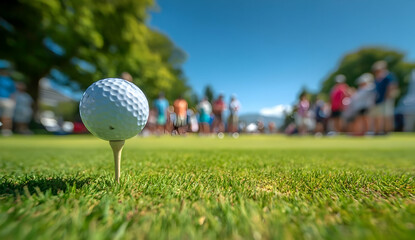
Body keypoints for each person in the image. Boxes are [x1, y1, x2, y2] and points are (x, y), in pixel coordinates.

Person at [371, 61, 399, 134]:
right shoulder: (377, 79)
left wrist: (388, 96)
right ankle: (378, 131)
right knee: (378, 116)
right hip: (378, 100)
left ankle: (387, 131)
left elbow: (392, 85)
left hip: (386, 99)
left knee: (387, 116)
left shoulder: (388, 76)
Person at [0, 61, 16, 136]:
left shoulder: (10, 80)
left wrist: (13, 100)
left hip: (7, 100)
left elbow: (12, 92)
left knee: (7, 117)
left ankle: (6, 130)